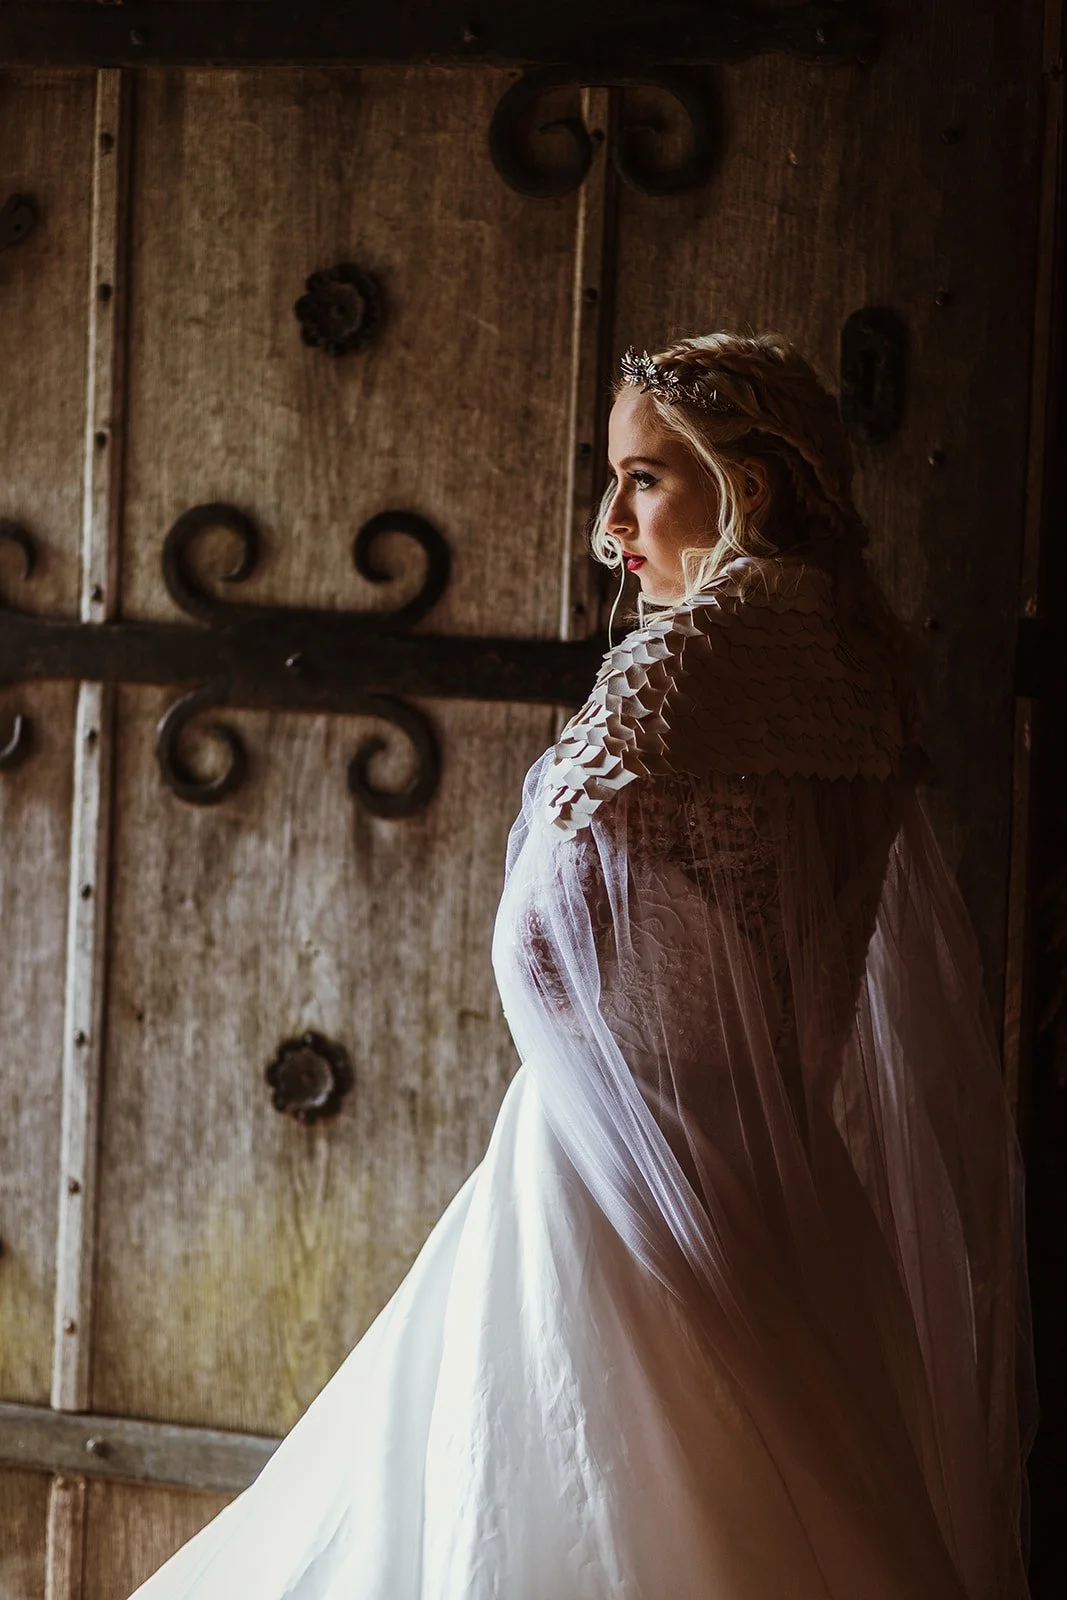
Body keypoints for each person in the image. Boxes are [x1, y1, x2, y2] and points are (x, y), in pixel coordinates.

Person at [130, 333, 1034, 1599]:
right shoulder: (865, 674)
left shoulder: (676, 670)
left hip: (613, 1158)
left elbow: (537, 940)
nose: (609, 522)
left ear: (749, 489)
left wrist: (602, 1083)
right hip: (781, 1166)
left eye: (642, 480)